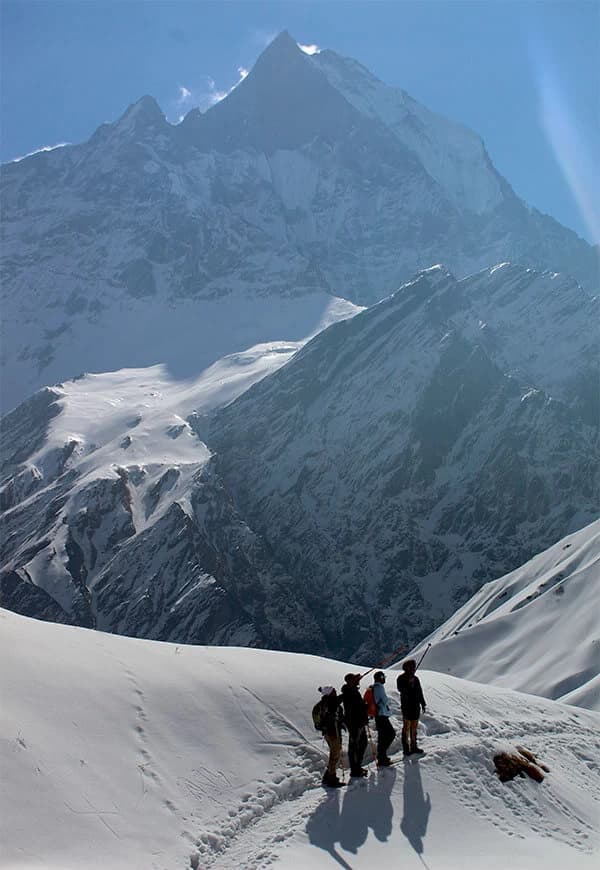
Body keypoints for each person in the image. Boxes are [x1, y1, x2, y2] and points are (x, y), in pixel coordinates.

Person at [396, 659, 426, 756]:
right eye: (412, 667)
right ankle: (406, 748)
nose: (413, 669)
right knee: (406, 728)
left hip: (415, 706)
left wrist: (423, 703)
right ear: (407, 668)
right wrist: (409, 684)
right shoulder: (401, 678)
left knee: (414, 728)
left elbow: (419, 691)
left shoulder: (415, 679)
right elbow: (401, 690)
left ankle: (414, 746)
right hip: (407, 707)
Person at [341, 673, 368, 778]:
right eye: (355, 679)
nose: (358, 680)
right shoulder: (350, 692)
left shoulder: (351, 690)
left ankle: (357, 767)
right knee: (355, 746)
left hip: (358, 722)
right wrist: (363, 708)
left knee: (361, 744)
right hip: (355, 723)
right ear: (351, 681)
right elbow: (354, 708)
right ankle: (355, 770)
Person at [317, 686, 346, 787]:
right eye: (333, 691)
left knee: (334, 753)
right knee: (335, 754)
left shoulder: (325, 703)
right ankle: (331, 778)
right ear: (330, 693)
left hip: (329, 732)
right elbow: (337, 702)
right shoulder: (330, 702)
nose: (335, 692)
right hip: (332, 732)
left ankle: (328, 776)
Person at [371, 671, 396, 766]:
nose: (384, 679)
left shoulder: (373, 687)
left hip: (378, 715)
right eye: (383, 677)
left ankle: (382, 757)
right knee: (390, 734)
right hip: (382, 714)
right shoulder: (379, 687)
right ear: (381, 678)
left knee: (382, 736)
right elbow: (384, 700)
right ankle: (382, 756)